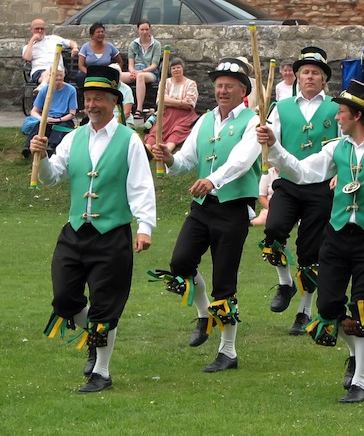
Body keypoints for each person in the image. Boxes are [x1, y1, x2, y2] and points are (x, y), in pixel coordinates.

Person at [257, 79, 364, 403]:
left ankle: (360, 381)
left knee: (362, 310)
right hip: (335, 235)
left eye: (342, 112)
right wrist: (276, 147)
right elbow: (303, 172)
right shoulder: (336, 147)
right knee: (328, 306)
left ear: (358, 116)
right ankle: (355, 355)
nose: (337, 117)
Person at [33, 65, 156, 393]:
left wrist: (145, 227)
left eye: (98, 98)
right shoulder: (73, 138)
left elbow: (141, 186)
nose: (91, 104)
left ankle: (101, 372)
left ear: (113, 101)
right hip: (74, 232)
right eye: (87, 98)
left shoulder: (129, 140)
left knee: (105, 306)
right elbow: (51, 177)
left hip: (112, 234)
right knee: (64, 299)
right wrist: (42, 157)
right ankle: (94, 337)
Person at [150, 58, 261, 372]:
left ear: (243, 90)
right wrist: (170, 158)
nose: (222, 90)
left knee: (224, 283)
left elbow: (242, 160)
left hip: (234, 209)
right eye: (219, 85)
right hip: (203, 209)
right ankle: (203, 314)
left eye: (229, 85)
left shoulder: (254, 122)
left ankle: (228, 352)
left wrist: (214, 179)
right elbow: (187, 161)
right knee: (181, 263)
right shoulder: (205, 121)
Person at [259, 46, 339, 335]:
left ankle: (304, 311)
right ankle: (285, 283)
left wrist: (341, 174)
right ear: (297, 76)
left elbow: (345, 145)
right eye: (305, 72)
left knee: (310, 251)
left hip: (322, 187)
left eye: (315, 73)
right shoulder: (281, 107)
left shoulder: (335, 107)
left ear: (323, 79)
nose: (309, 77)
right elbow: (270, 143)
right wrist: (269, 173)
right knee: (274, 230)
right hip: (289, 183)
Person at [144, 57, 199, 153]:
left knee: (177, 131)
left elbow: (190, 103)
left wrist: (170, 101)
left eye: (178, 67)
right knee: (157, 131)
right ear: (170, 70)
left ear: (183, 69)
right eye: (173, 68)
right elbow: (161, 100)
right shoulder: (165, 82)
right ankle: (146, 153)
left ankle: (165, 152)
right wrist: (181, 102)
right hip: (166, 113)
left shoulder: (191, 83)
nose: (176, 70)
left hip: (185, 115)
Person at [21, 68, 77, 158]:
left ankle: (51, 147)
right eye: (56, 75)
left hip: (63, 118)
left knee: (60, 129)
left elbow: (72, 114)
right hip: (47, 117)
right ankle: (28, 148)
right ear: (50, 76)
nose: (58, 78)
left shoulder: (71, 90)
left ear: (64, 76)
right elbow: (34, 111)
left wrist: (58, 119)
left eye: (60, 75)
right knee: (38, 127)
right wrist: (42, 119)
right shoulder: (44, 90)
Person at [22, 18, 79, 91]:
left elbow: (70, 42)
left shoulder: (53, 39)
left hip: (58, 69)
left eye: (42, 29)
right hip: (39, 71)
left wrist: (75, 47)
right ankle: (44, 86)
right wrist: (32, 40)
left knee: (52, 71)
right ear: (32, 30)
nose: (40, 31)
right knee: (48, 73)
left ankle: (42, 87)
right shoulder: (28, 46)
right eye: (37, 29)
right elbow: (27, 58)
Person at [120, 19, 161, 119]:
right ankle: (119, 105)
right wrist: (133, 71)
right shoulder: (133, 44)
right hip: (136, 71)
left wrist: (140, 72)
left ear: (150, 30)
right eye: (142, 29)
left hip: (150, 72)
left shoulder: (156, 45)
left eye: (146, 29)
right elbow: (130, 64)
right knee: (118, 76)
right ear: (138, 30)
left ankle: (139, 109)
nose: (144, 32)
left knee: (141, 77)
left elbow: (154, 65)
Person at [109, 63, 135, 128]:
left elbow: (126, 113)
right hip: (107, 121)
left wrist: (114, 125)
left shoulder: (127, 89)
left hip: (124, 120)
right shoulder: (104, 90)